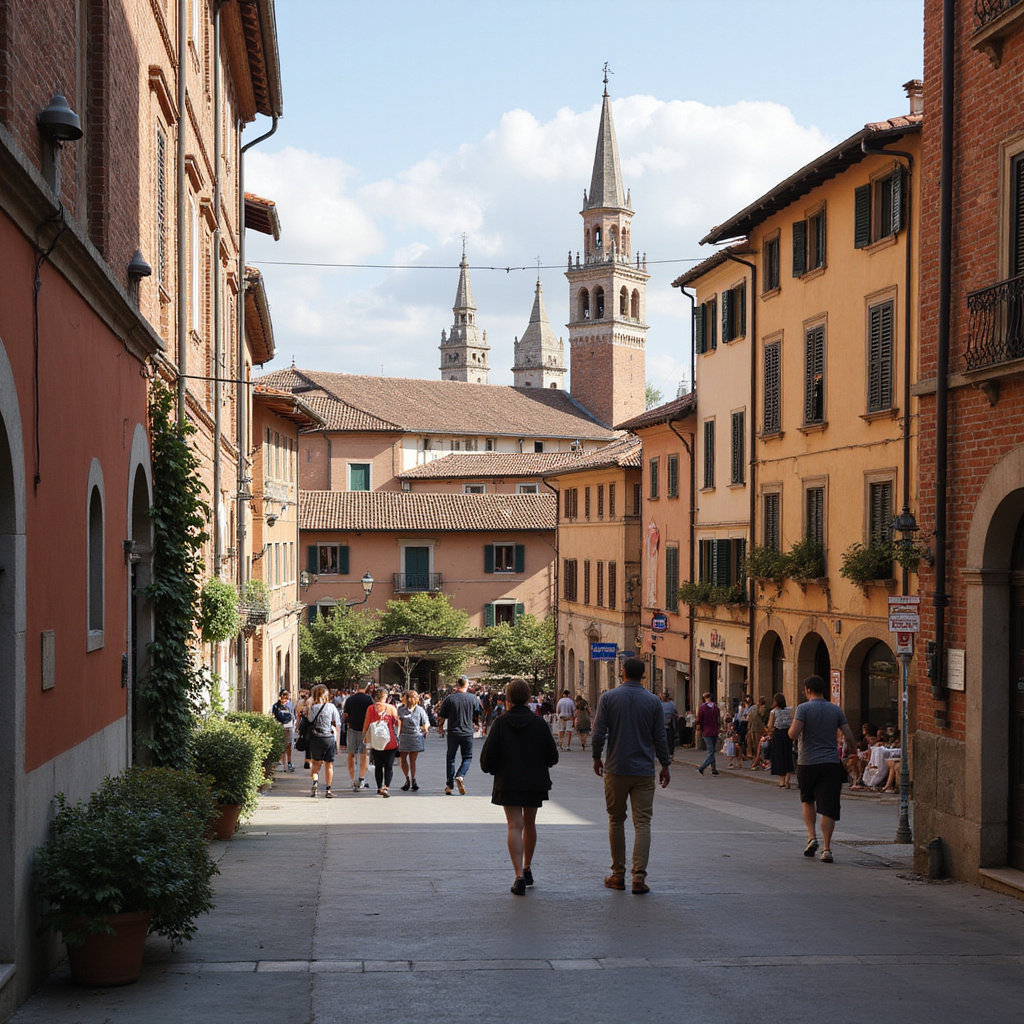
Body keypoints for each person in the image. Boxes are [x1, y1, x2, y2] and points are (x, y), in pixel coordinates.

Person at [591, 657, 671, 894]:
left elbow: (598, 734)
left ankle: (617, 874)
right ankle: (639, 877)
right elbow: (660, 737)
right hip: (644, 771)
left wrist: (597, 757)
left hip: (616, 768)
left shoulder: (609, 698)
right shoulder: (654, 702)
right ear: (643, 675)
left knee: (616, 820)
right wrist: (665, 764)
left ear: (622, 672)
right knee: (643, 822)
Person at [480, 677, 560, 895]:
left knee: (514, 826)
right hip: (534, 781)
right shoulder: (539, 723)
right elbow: (553, 756)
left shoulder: (500, 723)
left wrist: (495, 768)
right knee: (530, 824)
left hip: (508, 781)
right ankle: (527, 868)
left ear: (508, 698)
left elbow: (486, 759)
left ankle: (517, 876)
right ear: (528, 698)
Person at [788, 675, 858, 862]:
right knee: (828, 807)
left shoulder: (803, 709)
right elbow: (849, 735)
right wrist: (853, 753)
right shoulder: (835, 710)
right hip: (830, 763)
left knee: (808, 799)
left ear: (807, 690)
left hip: (807, 762)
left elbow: (793, 734)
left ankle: (811, 836)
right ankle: (827, 849)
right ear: (823, 690)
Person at [437, 675, 482, 795]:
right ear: (466, 685)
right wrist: (477, 724)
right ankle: (460, 775)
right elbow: (477, 714)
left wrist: (440, 728)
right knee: (467, 757)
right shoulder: (473, 698)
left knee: (450, 758)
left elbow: (442, 715)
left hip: (453, 731)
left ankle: (449, 786)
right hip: (467, 731)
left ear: (457, 685)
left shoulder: (450, 698)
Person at [363, 687, 401, 797]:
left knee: (378, 766)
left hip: (376, 741)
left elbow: (366, 724)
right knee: (389, 766)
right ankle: (386, 787)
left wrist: (365, 737)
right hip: (390, 740)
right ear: (385, 697)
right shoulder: (392, 708)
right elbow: (397, 723)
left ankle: (379, 787)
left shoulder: (370, 708)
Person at [305, 684, 341, 798]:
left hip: (316, 738)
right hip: (328, 738)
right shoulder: (331, 707)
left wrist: (310, 705)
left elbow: (310, 719)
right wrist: (338, 743)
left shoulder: (312, 708)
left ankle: (315, 784)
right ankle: (328, 789)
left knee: (315, 764)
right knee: (329, 765)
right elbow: (337, 723)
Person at [343, 679, 374, 792]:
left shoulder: (350, 699)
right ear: (366, 687)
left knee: (351, 754)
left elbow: (345, 714)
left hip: (352, 728)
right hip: (365, 730)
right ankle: (361, 779)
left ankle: (352, 780)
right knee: (364, 754)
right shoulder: (369, 699)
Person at [397, 689, 430, 791]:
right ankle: (408, 778)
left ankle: (412, 779)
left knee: (412, 760)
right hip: (405, 736)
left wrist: (425, 728)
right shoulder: (401, 709)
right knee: (403, 759)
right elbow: (398, 724)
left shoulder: (420, 710)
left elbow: (426, 722)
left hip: (415, 736)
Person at [768, 692, 795, 788]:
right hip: (788, 734)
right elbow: (793, 722)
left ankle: (781, 781)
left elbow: (770, 725)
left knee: (779, 756)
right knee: (787, 756)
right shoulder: (790, 710)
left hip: (778, 735)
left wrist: (770, 731)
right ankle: (788, 780)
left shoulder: (773, 712)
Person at [696, 692, 721, 776]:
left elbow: (699, 719)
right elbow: (718, 719)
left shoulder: (702, 708)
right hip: (714, 730)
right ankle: (713, 769)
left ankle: (702, 767)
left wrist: (699, 727)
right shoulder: (715, 707)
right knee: (712, 750)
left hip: (706, 731)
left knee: (711, 751)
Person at [271, 689, 296, 772]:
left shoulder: (290, 705)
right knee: (282, 744)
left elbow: (293, 715)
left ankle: (289, 762)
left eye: (287, 696)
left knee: (288, 744)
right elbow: (274, 715)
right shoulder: (276, 706)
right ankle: (282, 762)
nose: (285, 698)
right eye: (283, 695)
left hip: (289, 726)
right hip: (281, 727)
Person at [660, 692, 678, 758]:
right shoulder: (671, 704)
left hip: (665, 724)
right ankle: (669, 753)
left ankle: (667, 753)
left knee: (666, 739)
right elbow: (675, 713)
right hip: (668, 724)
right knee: (669, 740)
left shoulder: (660, 704)